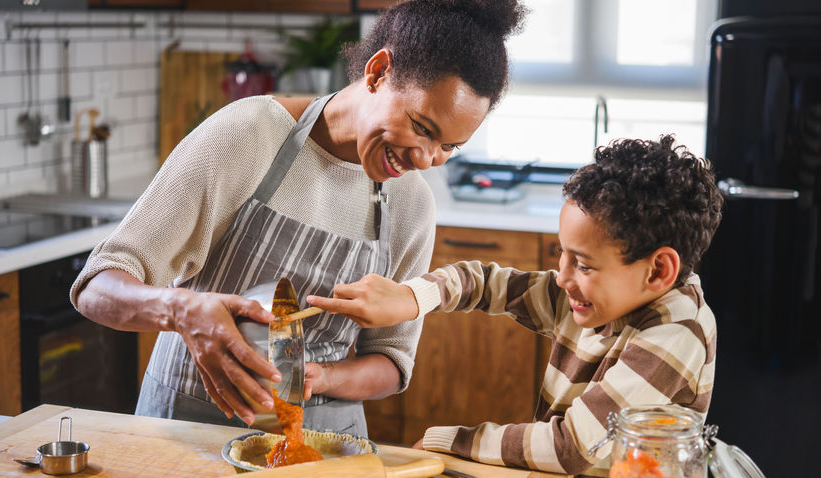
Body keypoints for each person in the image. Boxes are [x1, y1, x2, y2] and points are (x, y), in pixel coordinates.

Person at [69, 0, 527, 438]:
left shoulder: (411, 204)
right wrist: (181, 309)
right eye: (423, 128)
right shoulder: (250, 135)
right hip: (187, 426)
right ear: (378, 71)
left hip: (325, 441)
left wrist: (320, 378)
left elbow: (391, 361)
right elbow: (97, 288)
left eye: (449, 146)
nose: (427, 159)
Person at [307, 135, 724, 476]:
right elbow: (485, 283)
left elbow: (571, 447)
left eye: (583, 264)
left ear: (658, 270)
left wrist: (451, 441)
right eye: (563, 255)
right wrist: (413, 298)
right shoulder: (594, 297)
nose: (562, 277)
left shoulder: (676, 330)